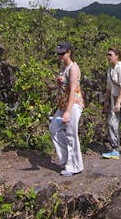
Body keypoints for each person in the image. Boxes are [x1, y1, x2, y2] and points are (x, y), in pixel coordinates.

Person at [49, 42, 85, 177]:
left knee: (71, 134)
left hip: (73, 104)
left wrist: (68, 112)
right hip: (63, 104)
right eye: (58, 53)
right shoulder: (63, 67)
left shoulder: (73, 68)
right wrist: (53, 87)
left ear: (69, 52)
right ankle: (66, 159)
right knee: (54, 129)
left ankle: (74, 166)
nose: (60, 56)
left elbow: (73, 90)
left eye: (62, 53)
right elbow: (63, 85)